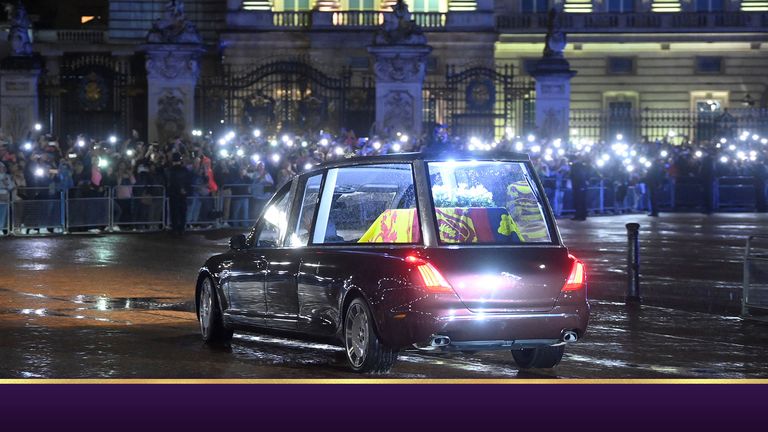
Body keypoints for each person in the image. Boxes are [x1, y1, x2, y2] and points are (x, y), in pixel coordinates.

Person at [167, 152, 192, 235]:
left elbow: (172, 182)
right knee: (182, 211)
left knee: (174, 211)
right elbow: (188, 182)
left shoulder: (170, 170)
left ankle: (175, 228)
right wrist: (185, 190)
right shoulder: (185, 170)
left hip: (174, 194)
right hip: (183, 194)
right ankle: (182, 228)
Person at [570, 154, 589, 221]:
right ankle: (582, 215)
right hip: (580, 186)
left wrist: (581, 185)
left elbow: (578, 176)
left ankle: (579, 215)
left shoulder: (576, 166)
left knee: (579, 201)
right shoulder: (581, 166)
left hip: (579, 186)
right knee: (581, 201)